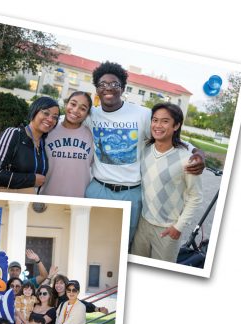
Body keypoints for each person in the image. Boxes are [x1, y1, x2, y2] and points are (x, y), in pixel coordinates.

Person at [84, 61, 204, 241]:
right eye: (102, 84)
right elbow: (64, 120)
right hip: (98, 188)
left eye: (114, 84)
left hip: (130, 193)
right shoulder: (90, 114)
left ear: (123, 88)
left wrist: (198, 152)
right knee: (90, 236)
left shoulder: (143, 114)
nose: (108, 88)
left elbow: (167, 135)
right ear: (97, 89)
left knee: (124, 242)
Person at [131, 103, 203, 262]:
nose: (157, 125)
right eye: (154, 120)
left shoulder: (187, 159)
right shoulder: (144, 148)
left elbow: (195, 197)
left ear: (176, 125)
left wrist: (178, 227)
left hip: (168, 229)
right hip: (142, 223)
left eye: (164, 121)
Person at [0, 97, 59, 192]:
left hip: (28, 201)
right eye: (46, 113)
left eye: (55, 117)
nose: (50, 119)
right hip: (4, 200)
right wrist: (32, 180)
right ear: (34, 111)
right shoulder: (13, 134)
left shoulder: (45, 142)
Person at [41, 91, 94, 198]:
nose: (75, 110)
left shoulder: (91, 135)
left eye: (83, 109)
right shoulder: (48, 129)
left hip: (79, 199)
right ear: (66, 104)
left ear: (87, 114)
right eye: (73, 104)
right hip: (47, 197)